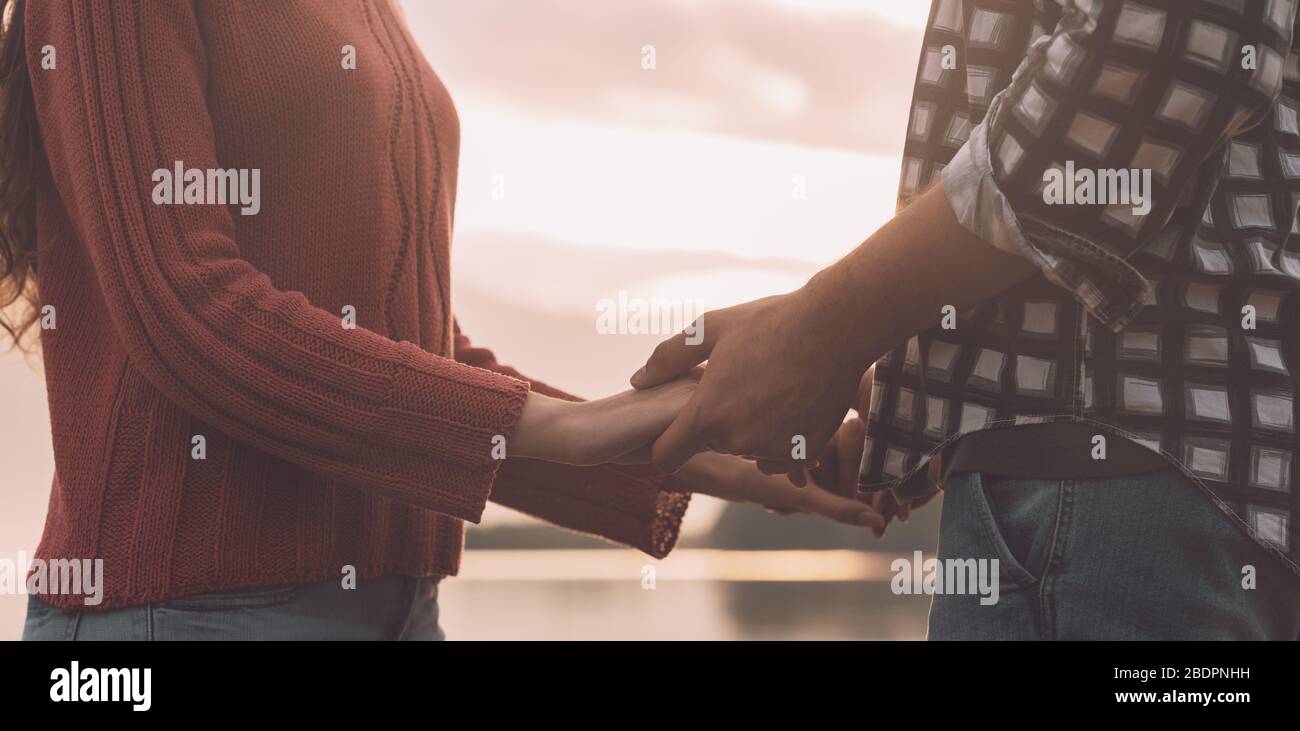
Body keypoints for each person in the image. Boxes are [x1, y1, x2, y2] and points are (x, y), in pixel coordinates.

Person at [0, 0, 881, 641]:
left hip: (398, 607)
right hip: (180, 619)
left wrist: (702, 449)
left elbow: (410, 357)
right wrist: (584, 428)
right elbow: (188, 310)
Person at [635, 0, 1300, 640]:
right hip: (1161, 504)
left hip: (1103, 510)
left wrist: (817, 335)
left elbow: (1171, 40)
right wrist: (928, 393)